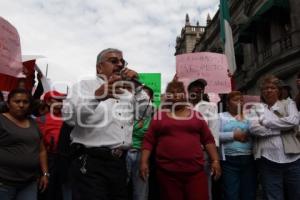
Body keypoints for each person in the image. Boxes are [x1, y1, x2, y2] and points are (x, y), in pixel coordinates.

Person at [62, 48, 149, 200]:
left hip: (119, 165)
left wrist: (137, 86)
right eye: (114, 61)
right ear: (99, 67)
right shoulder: (85, 86)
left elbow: (145, 113)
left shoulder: (127, 93)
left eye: (122, 61)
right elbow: (69, 117)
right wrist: (96, 98)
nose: (120, 65)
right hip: (91, 164)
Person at [140, 80, 221, 200]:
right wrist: (143, 162)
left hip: (195, 173)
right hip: (167, 174)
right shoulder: (159, 117)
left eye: (179, 92)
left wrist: (215, 161)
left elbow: (208, 140)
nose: (176, 95)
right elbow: (149, 141)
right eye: (171, 92)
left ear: (184, 95)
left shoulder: (196, 116)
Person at [249, 75, 300, 200]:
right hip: (267, 160)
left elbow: (293, 120)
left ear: (278, 90)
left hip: (293, 159)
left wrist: (267, 123)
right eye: (265, 88)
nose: (269, 90)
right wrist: (283, 130)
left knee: (296, 194)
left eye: (272, 87)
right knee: (273, 197)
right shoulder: (257, 108)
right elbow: (254, 129)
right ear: (261, 92)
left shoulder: (289, 103)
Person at [0, 88, 48, 200]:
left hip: (29, 182)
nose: (21, 105)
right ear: (8, 104)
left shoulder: (33, 123)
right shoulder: (1, 120)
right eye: (17, 101)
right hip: (4, 183)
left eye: (25, 102)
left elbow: (42, 150)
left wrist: (45, 174)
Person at [219, 91, 256, 200]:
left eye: (241, 100)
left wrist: (248, 133)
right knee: (231, 193)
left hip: (248, 159)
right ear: (227, 103)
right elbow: (214, 135)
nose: (239, 102)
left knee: (249, 192)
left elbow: (257, 130)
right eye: (235, 100)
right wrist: (233, 135)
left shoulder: (249, 116)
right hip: (229, 160)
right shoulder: (221, 117)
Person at [187, 79, 219, 200]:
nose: (198, 89)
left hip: (203, 153)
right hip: (183, 153)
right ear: (189, 91)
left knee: (204, 186)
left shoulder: (210, 107)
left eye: (201, 88)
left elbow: (213, 132)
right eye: (195, 87)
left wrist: (214, 159)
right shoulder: (182, 107)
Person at [36, 90, 65, 200]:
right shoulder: (41, 121)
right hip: (48, 160)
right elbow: (39, 147)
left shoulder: (68, 119)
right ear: (48, 102)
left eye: (61, 101)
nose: (61, 103)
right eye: (57, 100)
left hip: (64, 162)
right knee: (47, 192)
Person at [126, 85, 154, 200]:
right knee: (120, 188)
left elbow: (150, 135)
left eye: (145, 96)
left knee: (141, 190)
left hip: (142, 156)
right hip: (125, 154)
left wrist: (134, 128)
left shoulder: (153, 115)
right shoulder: (127, 111)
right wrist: (138, 127)